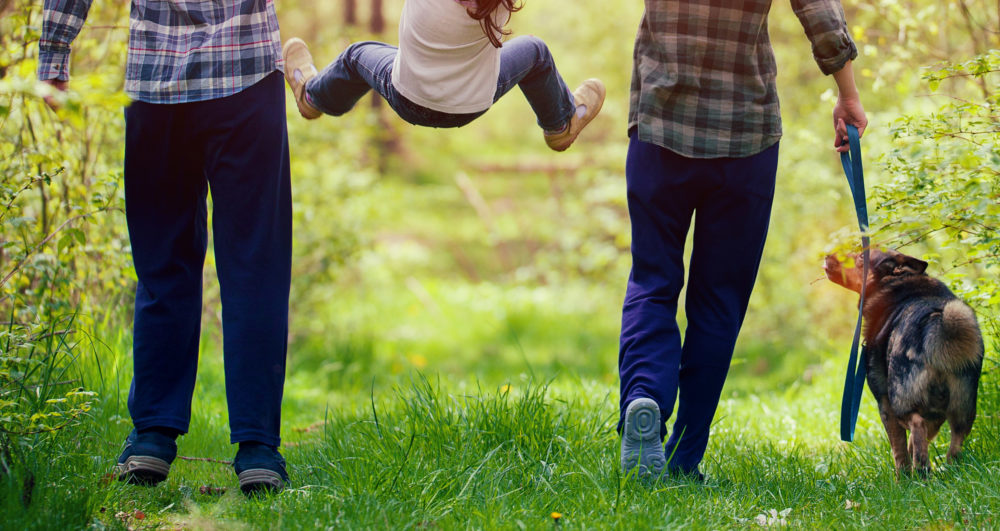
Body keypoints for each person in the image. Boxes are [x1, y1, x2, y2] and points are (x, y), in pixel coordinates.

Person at [39, 0, 293, 494]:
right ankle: (258, 448)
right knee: (254, 267)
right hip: (247, 76)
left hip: (156, 85)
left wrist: (54, 53)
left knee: (163, 267)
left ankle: (151, 439)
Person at [618, 0, 869, 480]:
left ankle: (644, 396)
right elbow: (818, 10)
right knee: (719, 301)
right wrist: (847, 94)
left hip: (659, 129)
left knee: (653, 279)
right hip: (745, 139)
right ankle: (683, 457)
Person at [282, 0, 605, 152]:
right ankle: (560, 125)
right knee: (534, 50)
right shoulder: (499, 5)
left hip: (406, 96)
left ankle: (312, 97)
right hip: (472, 104)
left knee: (356, 55)